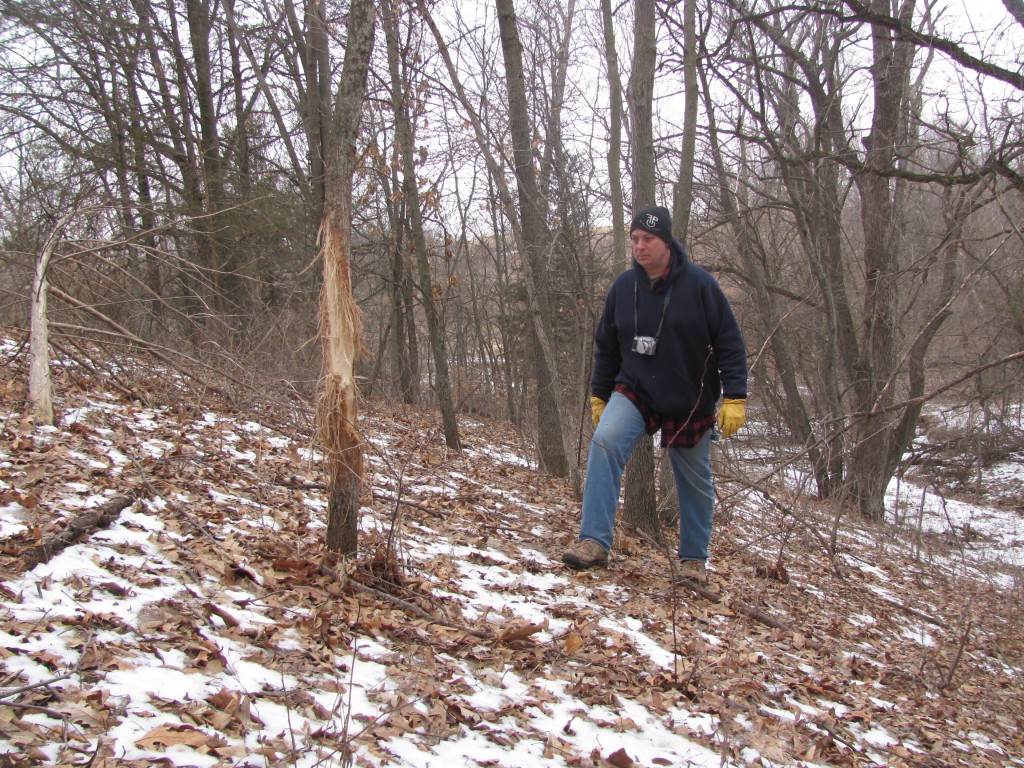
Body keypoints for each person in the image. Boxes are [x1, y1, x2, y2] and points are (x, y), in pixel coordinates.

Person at [562, 205, 748, 585]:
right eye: (634, 240)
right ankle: (594, 543)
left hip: (689, 395)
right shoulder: (623, 288)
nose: (639, 246)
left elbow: (730, 343)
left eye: (648, 239)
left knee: (694, 478)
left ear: (667, 241)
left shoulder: (700, 286)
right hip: (636, 388)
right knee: (605, 442)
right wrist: (599, 395)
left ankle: (694, 562)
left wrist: (735, 396)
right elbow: (607, 346)